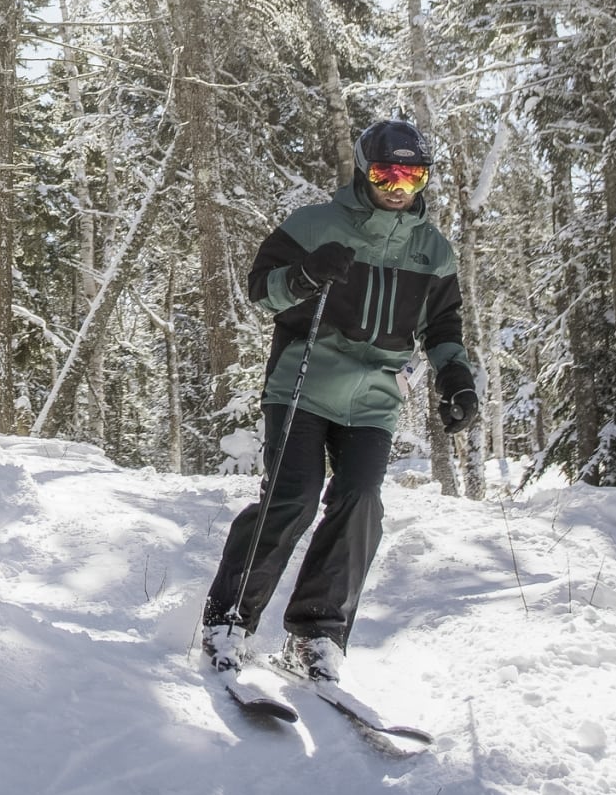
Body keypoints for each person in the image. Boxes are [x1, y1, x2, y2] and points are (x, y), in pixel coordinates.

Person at [200, 118, 479, 683]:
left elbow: (443, 324)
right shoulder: (314, 223)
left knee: (360, 502)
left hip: (373, 396)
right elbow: (261, 288)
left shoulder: (432, 251)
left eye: (412, 175)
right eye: (386, 172)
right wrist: (303, 274)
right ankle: (228, 621)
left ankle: (315, 635)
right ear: (364, 170)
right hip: (303, 382)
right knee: (293, 497)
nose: (398, 185)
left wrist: (457, 377)